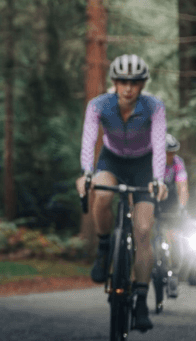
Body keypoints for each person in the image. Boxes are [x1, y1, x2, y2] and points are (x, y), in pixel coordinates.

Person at [76, 54, 168, 332]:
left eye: (134, 82)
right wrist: (86, 173)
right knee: (102, 195)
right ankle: (105, 248)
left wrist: (158, 179)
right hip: (111, 160)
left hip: (143, 164)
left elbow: (160, 145)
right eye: (122, 81)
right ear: (114, 82)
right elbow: (89, 139)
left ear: (142, 84)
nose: (128, 87)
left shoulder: (154, 107)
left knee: (142, 229)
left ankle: (140, 299)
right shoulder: (98, 105)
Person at [160, 133, 189, 296]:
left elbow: (182, 187)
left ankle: (174, 274)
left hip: (171, 204)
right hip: (153, 200)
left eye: (172, 152)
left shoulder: (178, 163)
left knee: (176, 239)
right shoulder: (152, 163)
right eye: (167, 152)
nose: (170, 156)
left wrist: (182, 206)